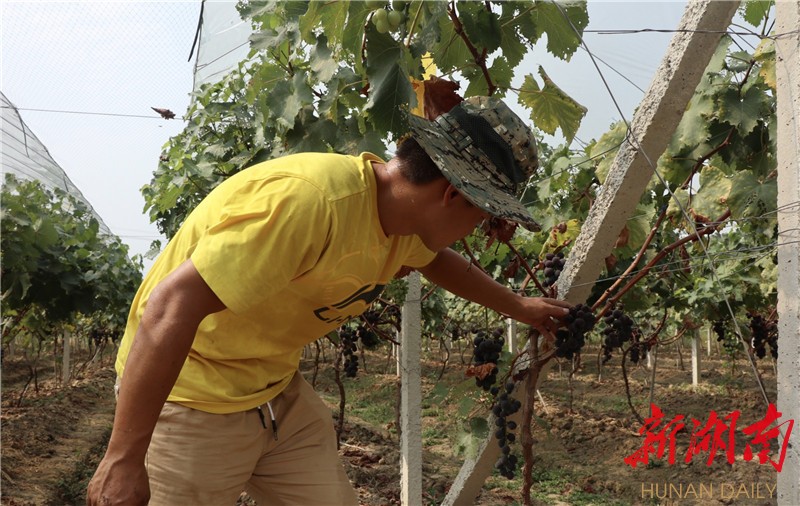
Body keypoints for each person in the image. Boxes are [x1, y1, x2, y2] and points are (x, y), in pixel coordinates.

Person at [87, 96, 571, 506]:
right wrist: (122, 458)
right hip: (192, 399)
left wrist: (518, 306)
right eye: (482, 215)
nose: (478, 230)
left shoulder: (402, 220)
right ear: (451, 196)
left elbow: (437, 261)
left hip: (276, 394)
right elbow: (170, 306)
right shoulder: (310, 205)